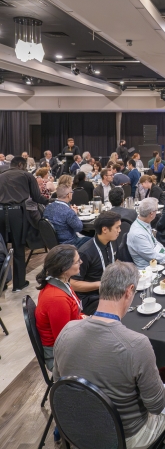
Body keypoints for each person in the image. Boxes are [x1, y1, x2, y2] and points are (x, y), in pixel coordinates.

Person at [56, 262, 165, 446]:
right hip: (125, 437)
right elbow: (157, 406)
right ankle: (163, 443)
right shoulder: (136, 344)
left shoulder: (67, 331)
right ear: (129, 291)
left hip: (77, 429)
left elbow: (60, 384)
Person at [0, 156, 49, 291]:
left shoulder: (1, 175)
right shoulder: (27, 175)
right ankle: (19, 283)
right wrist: (51, 201)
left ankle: (2, 284)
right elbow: (37, 197)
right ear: (21, 165)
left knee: (1, 249)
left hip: (0, 213)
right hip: (16, 213)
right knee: (18, 248)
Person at [35, 245, 83, 371]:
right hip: (60, 358)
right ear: (64, 268)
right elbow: (64, 341)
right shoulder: (57, 299)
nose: (81, 262)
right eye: (77, 261)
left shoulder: (62, 282)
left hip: (70, 340)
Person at [70, 211, 121, 314]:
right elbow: (73, 284)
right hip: (90, 298)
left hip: (108, 291)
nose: (120, 230)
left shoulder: (112, 241)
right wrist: (101, 284)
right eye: (117, 227)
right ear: (105, 229)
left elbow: (114, 261)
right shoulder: (85, 253)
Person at [43, 184, 91, 248]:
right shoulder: (68, 212)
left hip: (53, 243)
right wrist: (74, 213)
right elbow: (79, 228)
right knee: (95, 240)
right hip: (69, 243)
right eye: (72, 192)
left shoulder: (48, 207)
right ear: (68, 195)